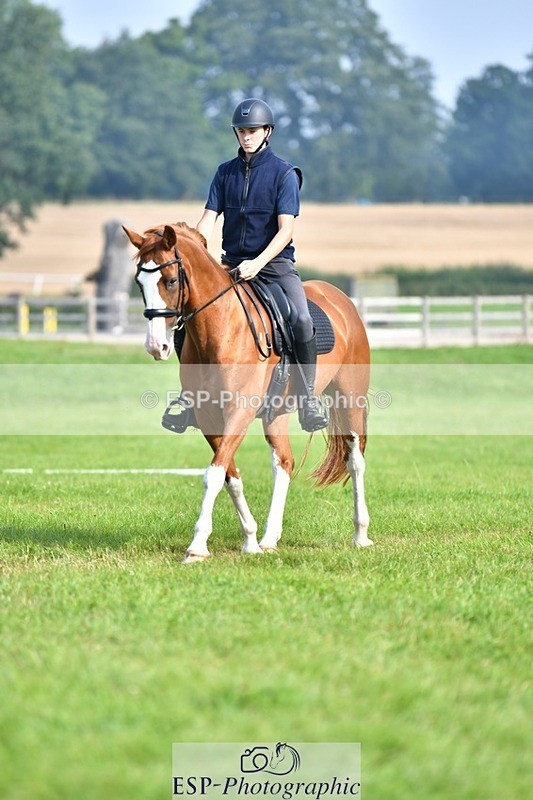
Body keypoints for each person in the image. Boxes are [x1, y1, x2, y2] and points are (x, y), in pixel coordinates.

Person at [169, 97, 328, 433]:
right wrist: (198, 253)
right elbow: (208, 220)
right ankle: (188, 398)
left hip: (274, 265)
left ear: (267, 131)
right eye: (241, 131)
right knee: (188, 320)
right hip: (230, 266)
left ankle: (309, 398)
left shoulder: (284, 174)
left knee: (300, 318)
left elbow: (286, 230)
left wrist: (257, 263)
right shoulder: (224, 173)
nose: (246, 136)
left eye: (252, 130)